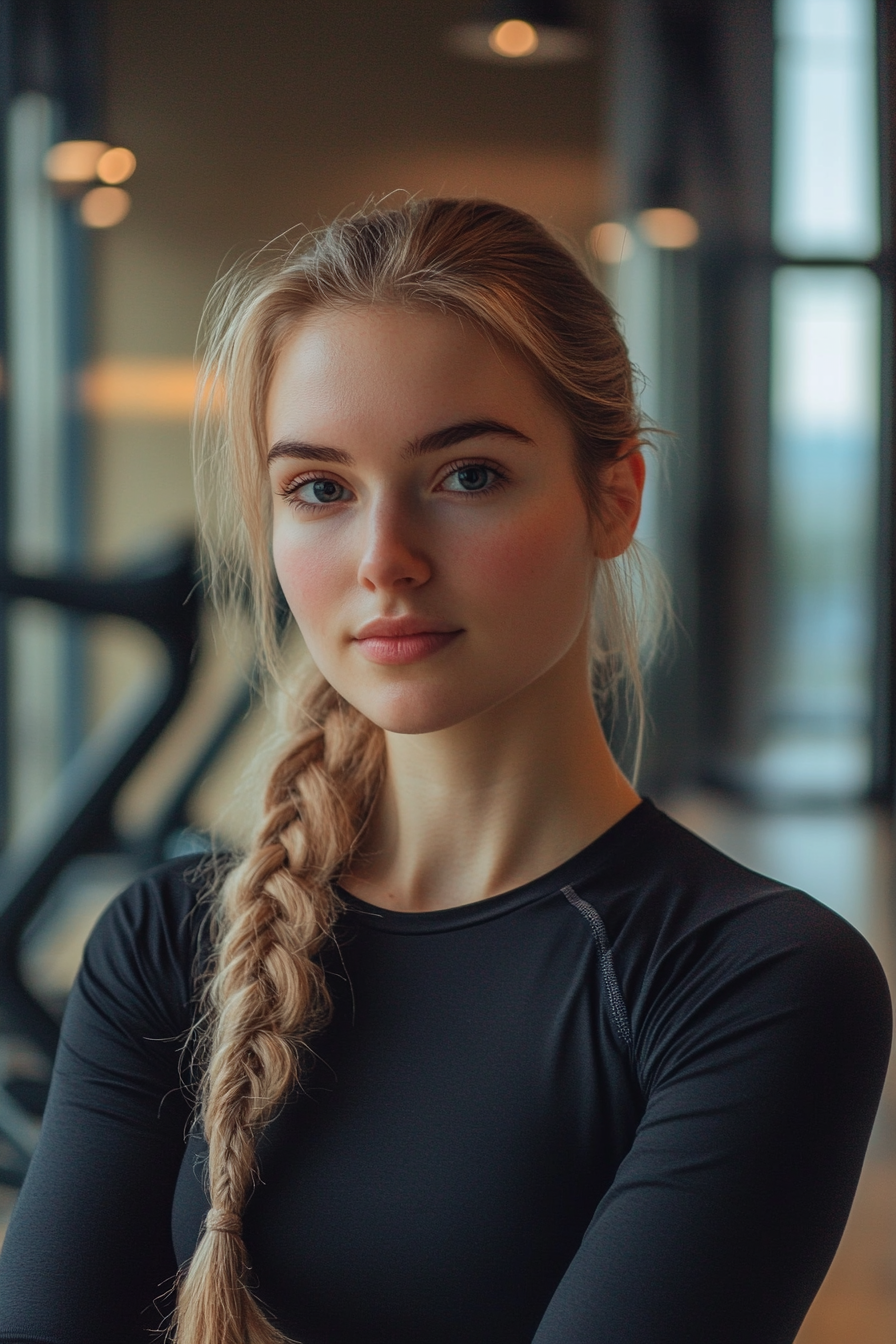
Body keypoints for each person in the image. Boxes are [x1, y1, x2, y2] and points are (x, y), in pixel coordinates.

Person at [0, 198, 890, 1344]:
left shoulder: (752, 981)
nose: (383, 561)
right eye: (319, 489)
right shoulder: (163, 943)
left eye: (466, 475)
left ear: (612, 497)